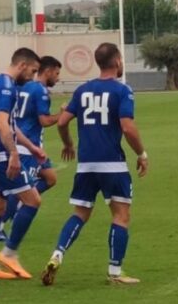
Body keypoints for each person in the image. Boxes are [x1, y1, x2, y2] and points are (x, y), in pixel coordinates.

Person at [41, 43, 149, 286]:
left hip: (86, 165)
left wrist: (68, 144)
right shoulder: (122, 90)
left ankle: (57, 254)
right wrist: (141, 154)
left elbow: (62, 122)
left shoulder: (82, 90)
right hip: (112, 164)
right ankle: (115, 272)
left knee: (80, 213)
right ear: (118, 61)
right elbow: (128, 128)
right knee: (121, 215)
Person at [0, 48, 44, 281]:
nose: (33, 77)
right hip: (0, 155)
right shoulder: (6, 86)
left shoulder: (1, 83)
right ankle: (9, 253)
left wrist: (32, 147)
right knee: (33, 200)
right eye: (33, 71)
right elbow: (2, 124)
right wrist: (14, 153)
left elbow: (11, 125)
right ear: (22, 65)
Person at [1, 56, 62, 240]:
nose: (58, 78)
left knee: (50, 178)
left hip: (28, 143)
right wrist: (63, 114)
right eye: (56, 73)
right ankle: (0, 224)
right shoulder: (41, 90)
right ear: (48, 71)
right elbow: (45, 120)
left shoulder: (23, 86)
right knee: (20, 187)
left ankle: (22, 205)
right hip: (28, 145)